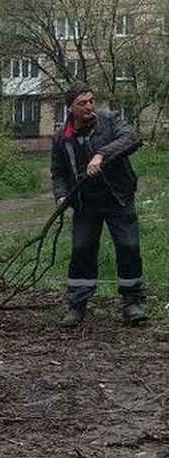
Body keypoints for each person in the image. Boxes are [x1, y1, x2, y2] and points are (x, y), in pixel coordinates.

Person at [50, 81, 147, 327]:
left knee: (128, 246)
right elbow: (58, 172)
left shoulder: (110, 120)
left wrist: (101, 154)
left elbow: (128, 138)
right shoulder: (62, 137)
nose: (89, 107)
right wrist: (61, 195)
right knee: (82, 249)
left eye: (91, 101)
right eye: (82, 103)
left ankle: (132, 302)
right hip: (85, 205)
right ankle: (77, 306)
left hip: (118, 199)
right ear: (70, 108)